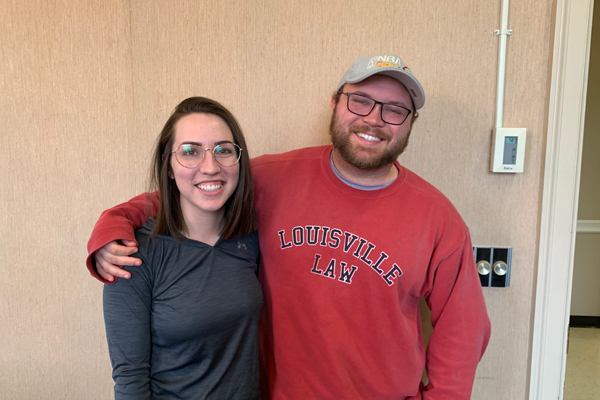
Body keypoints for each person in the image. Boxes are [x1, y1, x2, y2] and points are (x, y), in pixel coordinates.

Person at [88, 54, 491, 399]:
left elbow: (465, 329)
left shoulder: (437, 218)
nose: (374, 120)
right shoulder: (272, 177)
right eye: (361, 101)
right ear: (335, 103)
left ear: (410, 121)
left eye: (395, 109)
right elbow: (196, 189)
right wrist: (113, 223)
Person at [100, 97, 263, 399]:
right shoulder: (133, 255)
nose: (210, 166)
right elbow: (130, 379)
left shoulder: (251, 238)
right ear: (170, 167)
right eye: (190, 152)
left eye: (223, 150)